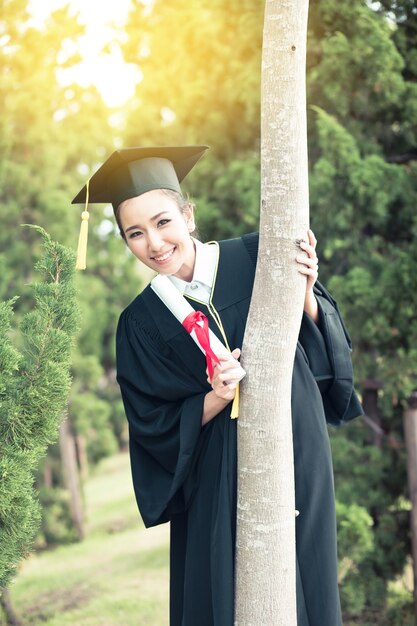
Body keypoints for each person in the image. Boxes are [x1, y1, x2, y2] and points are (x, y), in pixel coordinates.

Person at [73, 145, 363, 626]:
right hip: (212, 474)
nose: (155, 243)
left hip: (294, 439)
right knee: (225, 594)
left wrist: (306, 293)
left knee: (304, 574)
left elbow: (320, 355)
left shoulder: (256, 254)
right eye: (135, 233)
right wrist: (215, 396)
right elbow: (151, 425)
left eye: (163, 222)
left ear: (188, 215)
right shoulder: (139, 324)